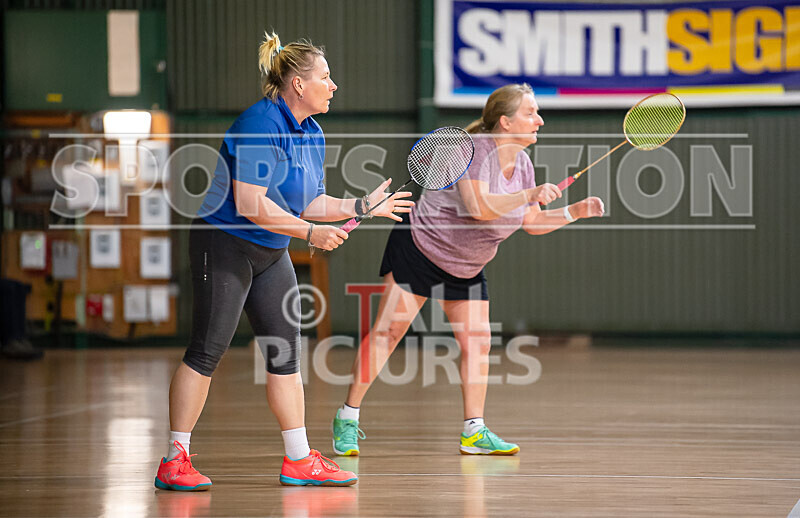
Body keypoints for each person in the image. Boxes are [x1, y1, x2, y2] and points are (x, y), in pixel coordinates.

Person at [154, 32, 413, 490]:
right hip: (226, 241)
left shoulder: (312, 133)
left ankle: (298, 459)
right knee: (207, 349)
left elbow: (309, 201)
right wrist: (311, 234)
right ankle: (175, 458)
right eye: (326, 78)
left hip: (271, 252)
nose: (333, 86)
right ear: (298, 84)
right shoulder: (260, 124)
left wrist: (359, 206)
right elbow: (252, 203)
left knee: (286, 353)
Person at [331, 83, 605, 456]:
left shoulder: (523, 165)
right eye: (531, 113)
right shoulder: (473, 151)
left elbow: (532, 223)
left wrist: (576, 211)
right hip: (420, 249)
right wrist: (528, 194)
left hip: (466, 265)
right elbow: (479, 207)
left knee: (477, 343)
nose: (539, 120)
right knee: (389, 333)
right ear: (506, 122)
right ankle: (347, 418)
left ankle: (473, 431)